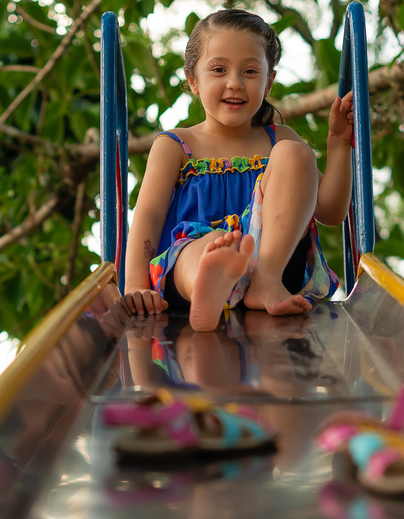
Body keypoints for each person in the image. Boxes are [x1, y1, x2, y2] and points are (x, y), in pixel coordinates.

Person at [122, 8, 354, 332]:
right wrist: (134, 284)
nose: (235, 83)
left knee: (295, 152)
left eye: (249, 71)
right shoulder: (175, 145)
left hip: (274, 267)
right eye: (219, 69)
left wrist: (339, 144)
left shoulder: (279, 140)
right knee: (211, 245)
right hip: (189, 264)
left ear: (268, 82)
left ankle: (263, 280)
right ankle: (211, 280)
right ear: (193, 80)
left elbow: (330, 211)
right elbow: (147, 217)